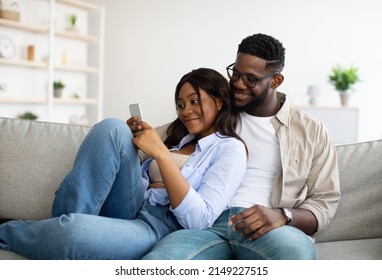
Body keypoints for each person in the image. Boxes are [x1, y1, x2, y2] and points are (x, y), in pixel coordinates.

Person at [0, 68, 247, 260]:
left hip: (157, 225)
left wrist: (160, 154)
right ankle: (64, 223)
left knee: (75, 231)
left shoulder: (230, 149)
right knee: (113, 128)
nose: (185, 111)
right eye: (181, 105)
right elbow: (131, 175)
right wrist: (134, 142)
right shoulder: (177, 140)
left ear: (218, 101)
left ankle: (27, 231)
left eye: (194, 101)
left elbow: (199, 219)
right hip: (132, 205)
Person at [142, 33, 341, 260]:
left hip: (265, 229)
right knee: (157, 263)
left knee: (296, 254)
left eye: (251, 79)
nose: (238, 84)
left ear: (276, 80)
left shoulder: (310, 131)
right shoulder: (217, 110)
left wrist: (282, 215)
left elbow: (325, 202)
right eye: (235, 73)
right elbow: (154, 140)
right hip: (204, 226)